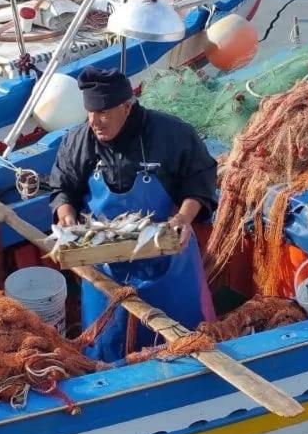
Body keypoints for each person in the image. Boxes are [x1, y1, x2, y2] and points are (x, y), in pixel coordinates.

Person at [49, 66, 217, 362]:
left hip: (168, 264)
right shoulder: (79, 141)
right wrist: (66, 215)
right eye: (90, 114)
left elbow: (200, 181)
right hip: (104, 270)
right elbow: (63, 188)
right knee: (106, 348)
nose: (96, 122)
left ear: (127, 106)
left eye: (104, 113)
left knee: (182, 346)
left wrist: (183, 218)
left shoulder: (172, 134)